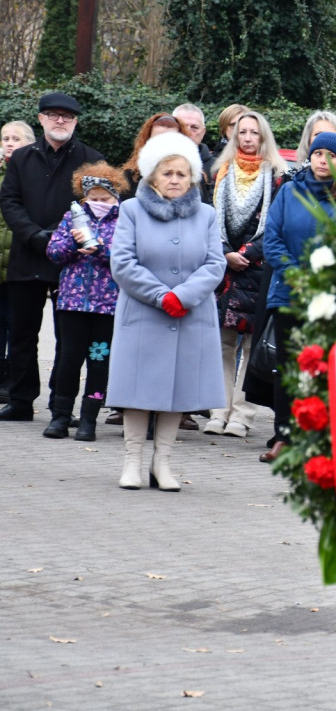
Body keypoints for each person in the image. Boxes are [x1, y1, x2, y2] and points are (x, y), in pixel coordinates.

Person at [107, 132, 226, 490]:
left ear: (193, 177)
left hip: (191, 315)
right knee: (138, 389)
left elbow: (214, 263)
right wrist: (162, 296)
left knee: (179, 390)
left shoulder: (206, 215)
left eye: (182, 173)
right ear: (151, 176)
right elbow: (123, 263)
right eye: (167, 173)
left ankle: (163, 463)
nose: (175, 180)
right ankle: (132, 462)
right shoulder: (131, 210)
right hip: (144, 313)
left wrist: (184, 296)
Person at [0, 93, 104, 422]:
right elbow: (10, 201)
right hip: (27, 254)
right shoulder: (21, 158)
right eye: (53, 115)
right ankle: (20, 400)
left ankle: (61, 402)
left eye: (67, 116)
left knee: (68, 337)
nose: (60, 121)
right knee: (22, 333)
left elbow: (97, 208)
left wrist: (60, 237)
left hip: (70, 262)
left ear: (76, 122)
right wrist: (33, 234)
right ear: (41, 119)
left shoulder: (92, 160)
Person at [261, 132, 336, 463]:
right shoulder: (288, 192)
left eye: (330, 154)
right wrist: (296, 276)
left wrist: (327, 280)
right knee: (287, 368)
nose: (323, 160)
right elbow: (272, 239)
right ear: (309, 157)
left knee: (322, 367)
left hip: (331, 297)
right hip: (289, 293)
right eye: (317, 153)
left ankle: (317, 438)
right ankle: (284, 435)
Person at [207, 111, 286, 438]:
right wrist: (225, 252)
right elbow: (209, 217)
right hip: (224, 267)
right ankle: (218, 410)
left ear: (264, 137)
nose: (249, 138)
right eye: (243, 132)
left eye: (255, 132)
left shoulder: (278, 175)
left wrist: (248, 253)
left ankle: (242, 415)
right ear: (234, 136)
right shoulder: (220, 173)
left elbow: (276, 226)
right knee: (222, 344)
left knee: (253, 344)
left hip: (258, 267)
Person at [42, 162, 128, 441]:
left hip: (107, 306)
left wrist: (101, 250)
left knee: (98, 361)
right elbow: (53, 252)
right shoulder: (73, 217)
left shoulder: (125, 221)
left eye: (105, 199)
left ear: (116, 197)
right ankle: (60, 416)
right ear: (84, 198)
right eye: (94, 199)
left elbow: (128, 260)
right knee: (68, 359)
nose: (99, 204)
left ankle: (89, 418)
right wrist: (74, 244)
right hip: (73, 303)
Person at [0, 120, 34, 403]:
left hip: (19, 263)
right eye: (5, 138)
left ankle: (14, 380)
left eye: (16, 139)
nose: (9, 143)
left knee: (17, 326)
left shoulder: (29, 173)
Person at [121, 113, 192, 197]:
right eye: (157, 139)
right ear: (147, 141)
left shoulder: (193, 177)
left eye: (170, 140)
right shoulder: (131, 176)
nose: (163, 145)